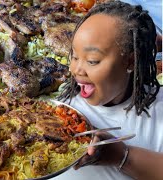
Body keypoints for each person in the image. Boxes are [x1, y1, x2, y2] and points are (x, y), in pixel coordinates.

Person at [53, 1, 163, 180]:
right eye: (74, 57)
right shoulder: (60, 112)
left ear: (130, 62)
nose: (77, 70)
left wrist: (121, 155)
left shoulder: (158, 111)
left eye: (92, 61)